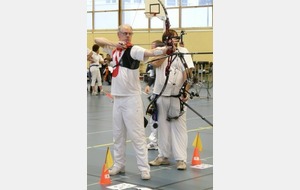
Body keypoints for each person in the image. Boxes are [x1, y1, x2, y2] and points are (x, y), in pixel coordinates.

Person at [94, 24, 170, 180]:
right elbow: (97, 39)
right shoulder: (113, 49)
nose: (128, 36)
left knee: (137, 135)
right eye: (125, 33)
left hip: (131, 99)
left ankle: (144, 168)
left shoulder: (134, 50)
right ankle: (118, 164)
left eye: (130, 33)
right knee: (118, 135)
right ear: (119, 34)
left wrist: (164, 50)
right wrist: (115, 44)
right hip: (117, 99)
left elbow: (149, 52)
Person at [148, 29, 193, 170]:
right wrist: (165, 51)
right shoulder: (159, 51)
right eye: (173, 38)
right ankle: (163, 156)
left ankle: (181, 159)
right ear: (166, 40)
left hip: (177, 96)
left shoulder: (183, 51)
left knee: (179, 127)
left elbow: (188, 71)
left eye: (177, 38)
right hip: (161, 95)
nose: (176, 40)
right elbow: (154, 64)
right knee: (163, 128)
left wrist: (185, 90)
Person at [144, 40, 164, 150]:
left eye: (153, 48)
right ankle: (155, 141)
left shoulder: (161, 59)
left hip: (163, 92)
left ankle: (158, 142)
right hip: (156, 92)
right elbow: (151, 75)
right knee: (154, 117)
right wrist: (148, 85)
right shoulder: (153, 60)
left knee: (159, 118)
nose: (151, 50)